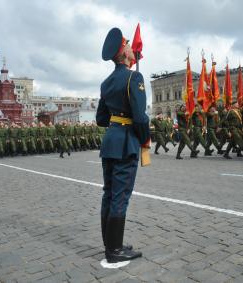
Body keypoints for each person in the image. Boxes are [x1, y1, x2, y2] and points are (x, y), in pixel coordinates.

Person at [96, 27, 150, 263]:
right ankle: (115, 251)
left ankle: (111, 243)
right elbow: (140, 117)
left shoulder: (106, 83)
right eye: (128, 44)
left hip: (110, 141)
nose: (132, 48)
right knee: (120, 196)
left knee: (109, 194)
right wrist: (145, 138)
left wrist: (117, 117)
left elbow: (100, 119)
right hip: (127, 142)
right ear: (124, 53)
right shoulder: (134, 77)